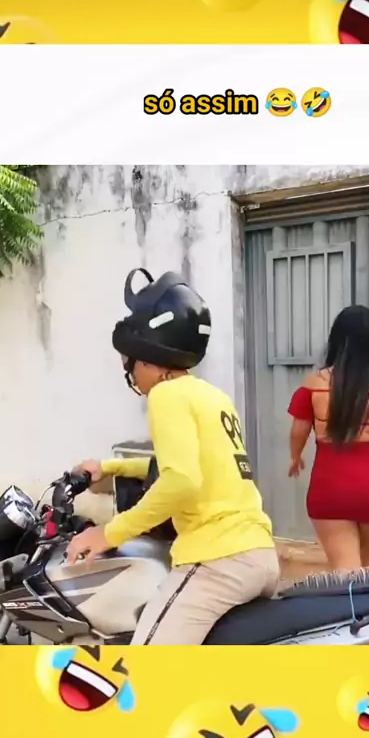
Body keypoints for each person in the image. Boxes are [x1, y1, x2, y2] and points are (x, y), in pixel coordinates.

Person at [67, 268, 279, 644]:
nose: (131, 373)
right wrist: (109, 468)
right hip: (258, 553)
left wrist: (108, 533)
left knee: (145, 666)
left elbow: (181, 480)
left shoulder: (165, 395)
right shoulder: (211, 396)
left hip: (216, 560)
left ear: (148, 358)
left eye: (131, 362)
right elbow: (184, 466)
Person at [287, 305, 369, 571]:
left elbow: (299, 430)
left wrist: (295, 457)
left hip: (330, 487)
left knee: (345, 571)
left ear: (336, 339)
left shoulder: (313, 384)